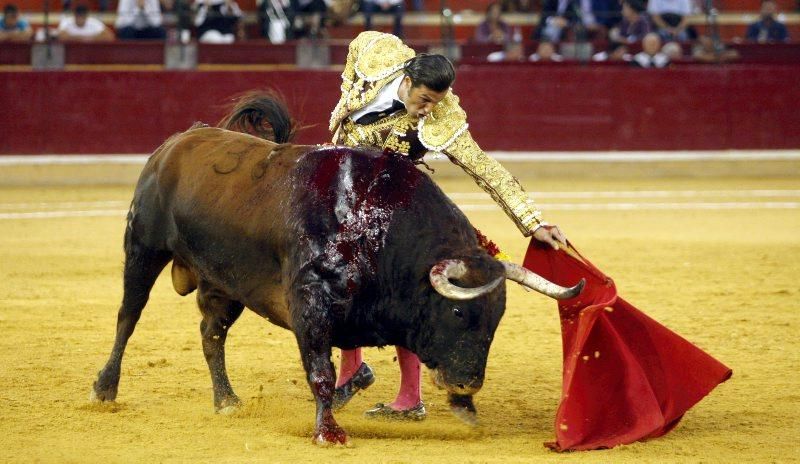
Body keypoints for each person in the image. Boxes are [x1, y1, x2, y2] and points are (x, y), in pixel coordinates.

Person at [329, 31, 567, 420]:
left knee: (397, 293)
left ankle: (409, 398)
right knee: (339, 279)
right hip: (343, 186)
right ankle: (352, 370)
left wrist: (532, 221)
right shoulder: (377, 51)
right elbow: (356, 55)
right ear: (406, 81)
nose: (428, 110)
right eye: (424, 100)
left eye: (436, 103)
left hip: (394, 206)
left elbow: (486, 168)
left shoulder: (444, 118)